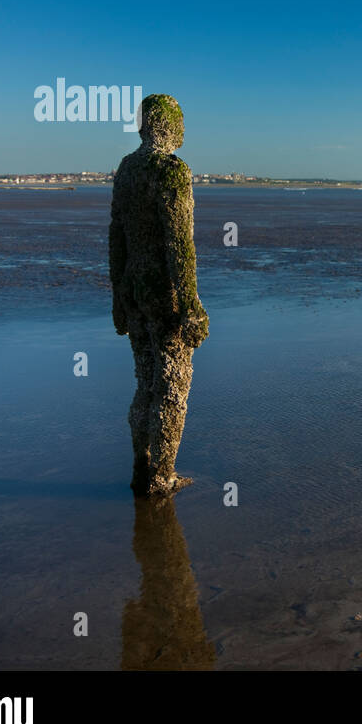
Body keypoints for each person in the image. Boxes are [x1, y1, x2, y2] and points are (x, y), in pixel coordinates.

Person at [109, 94, 208, 497]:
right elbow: (178, 244)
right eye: (179, 119)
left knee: (146, 382)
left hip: (134, 289)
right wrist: (191, 306)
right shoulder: (172, 171)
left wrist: (118, 295)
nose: (184, 128)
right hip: (163, 295)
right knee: (172, 384)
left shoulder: (127, 169)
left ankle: (141, 465)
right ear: (165, 124)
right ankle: (161, 476)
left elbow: (117, 236)